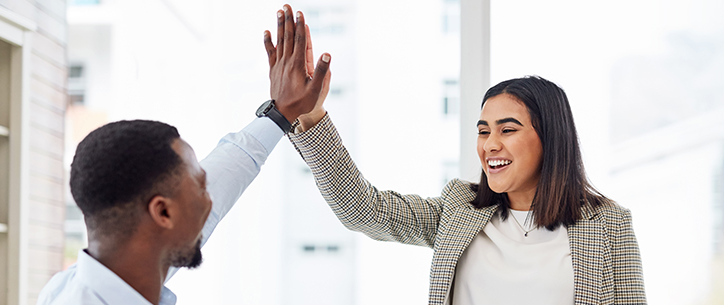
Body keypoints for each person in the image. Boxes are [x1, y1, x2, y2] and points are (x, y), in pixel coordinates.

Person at [275, 20, 646, 302]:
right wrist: (310, 116)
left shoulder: (608, 224)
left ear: (550, 138)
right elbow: (363, 210)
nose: (490, 145)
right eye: (483, 131)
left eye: (508, 130)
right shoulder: (459, 209)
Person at [36, 5, 329, 305]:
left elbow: (221, 175)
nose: (210, 201)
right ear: (163, 212)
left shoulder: (84, 283)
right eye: (199, 189)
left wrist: (281, 114)